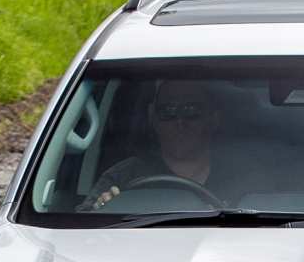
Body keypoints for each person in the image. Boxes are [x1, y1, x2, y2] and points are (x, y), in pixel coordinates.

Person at [89, 78, 229, 209]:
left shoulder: (245, 177)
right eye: (168, 112)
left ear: (213, 119)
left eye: (192, 111)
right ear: (153, 118)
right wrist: (103, 207)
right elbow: (84, 226)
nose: (179, 122)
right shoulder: (123, 176)